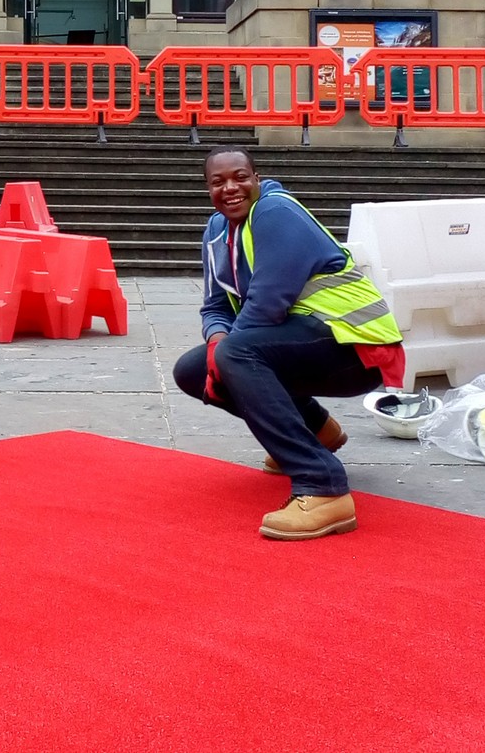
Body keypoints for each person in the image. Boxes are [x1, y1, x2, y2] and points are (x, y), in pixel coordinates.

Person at [172, 146, 405, 541]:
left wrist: (224, 355)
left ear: (257, 178)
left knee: (236, 353)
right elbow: (214, 305)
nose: (231, 187)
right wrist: (215, 343)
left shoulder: (276, 212)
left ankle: (322, 485)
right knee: (191, 370)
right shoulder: (216, 232)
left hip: (357, 347)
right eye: (218, 181)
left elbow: (267, 304)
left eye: (240, 177)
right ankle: (316, 431)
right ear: (206, 188)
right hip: (304, 343)